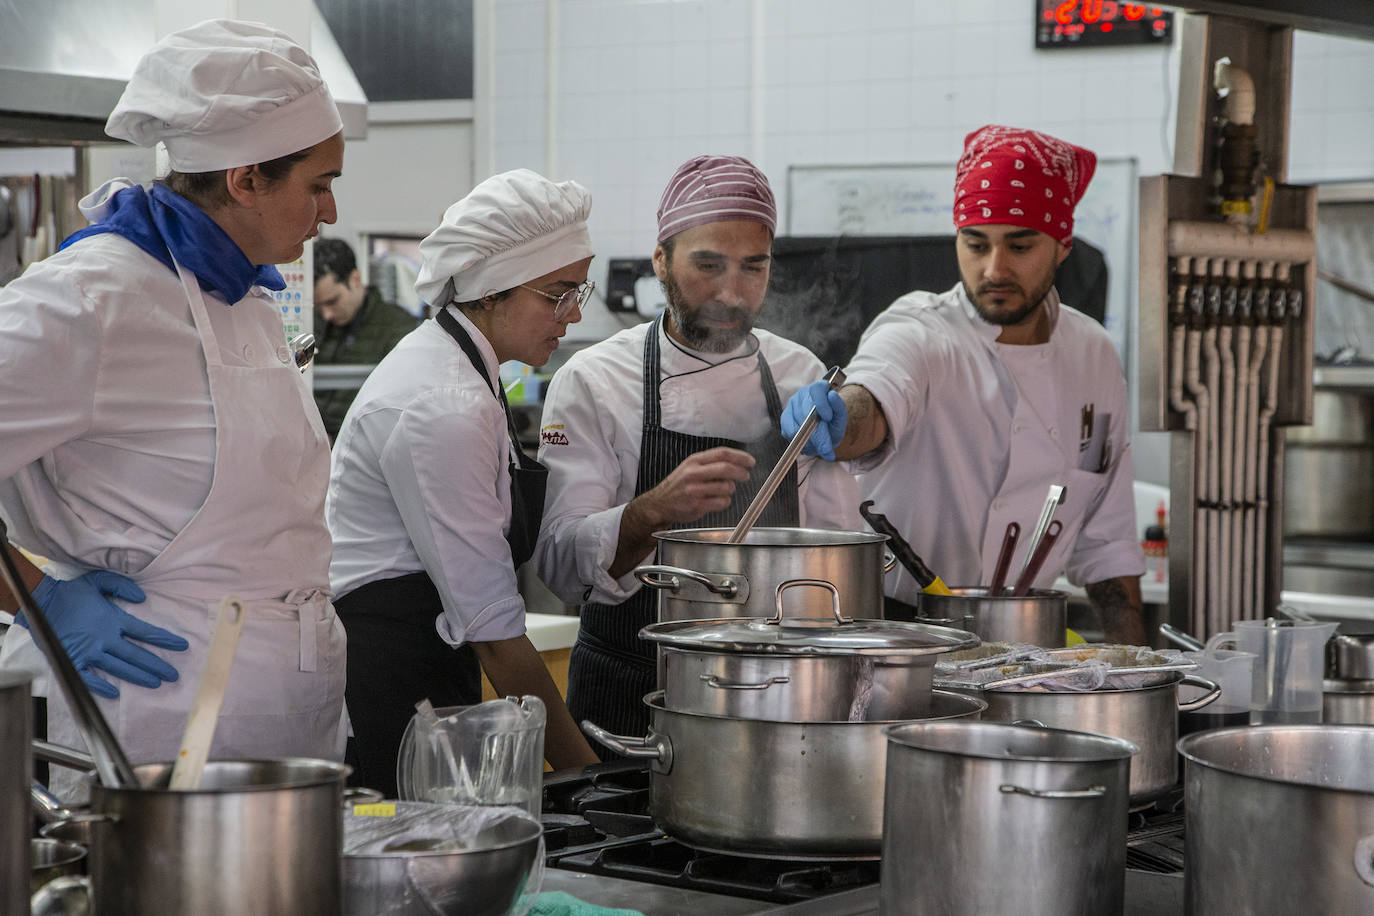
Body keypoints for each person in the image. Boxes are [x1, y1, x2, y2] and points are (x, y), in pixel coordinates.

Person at [0, 19, 349, 793]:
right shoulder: (88, 299)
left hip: (278, 718)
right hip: (149, 724)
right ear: (245, 178)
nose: (329, 214)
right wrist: (37, 598)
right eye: (318, 185)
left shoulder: (245, 291)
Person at [534, 155, 862, 743]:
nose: (731, 293)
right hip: (629, 695)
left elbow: (833, 567)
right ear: (660, 261)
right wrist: (653, 510)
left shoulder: (798, 377)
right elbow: (559, 567)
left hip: (773, 698)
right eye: (707, 265)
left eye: (752, 268)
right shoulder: (595, 380)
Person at [783, 125, 1146, 644]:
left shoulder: (1094, 355)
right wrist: (843, 419)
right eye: (976, 244)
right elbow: (877, 393)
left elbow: (1108, 542)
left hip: (1023, 645)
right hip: (890, 635)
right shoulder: (923, 331)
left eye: (1020, 246)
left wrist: (1133, 671)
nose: (994, 269)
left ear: (1063, 244)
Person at [327, 169, 601, 795]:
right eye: (558, 293)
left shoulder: (466, 375)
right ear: (489, 291)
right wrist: (591, 779)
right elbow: (496, 634)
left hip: (426, 667)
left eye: (577, 289)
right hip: (386, 689)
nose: (575, 312)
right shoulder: (441, 405)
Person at [311, 237, 419, 440]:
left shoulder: (398, 326)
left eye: (333, 301)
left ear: (355, 279)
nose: (327, 314)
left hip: (365, 445)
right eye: (319, 306)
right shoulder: (312, 324)